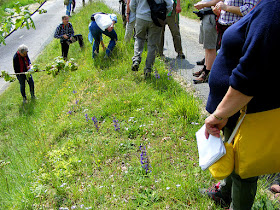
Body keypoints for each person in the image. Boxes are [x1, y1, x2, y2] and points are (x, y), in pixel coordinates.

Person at [202, 0, 280, 208]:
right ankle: (225, 193)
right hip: (238, 109)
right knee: (231, 154)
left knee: (243, 170)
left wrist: (219, 114)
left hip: (246, 108)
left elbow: (250, 74)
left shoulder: (274, 7)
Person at [130, 0, 173, 78]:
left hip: (141, 17)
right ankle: (148, 69)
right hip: (156, 19)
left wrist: (138, 13)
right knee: (152, 45)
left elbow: (132, 5)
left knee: (139, 38)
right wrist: (162, 14)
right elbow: (170, 5)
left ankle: (136, 59)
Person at [193, 0, 219, 84]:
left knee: (211, 47)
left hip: (211, 15)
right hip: (206, 14)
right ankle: (205, 68)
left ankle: (207, 74)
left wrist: (203, 4)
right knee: (207, 46)